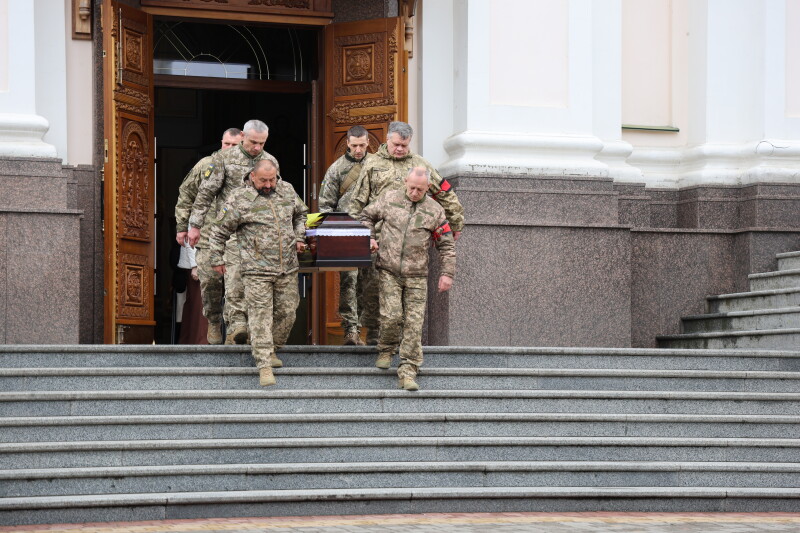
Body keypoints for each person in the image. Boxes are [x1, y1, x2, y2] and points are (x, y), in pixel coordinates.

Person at [348, 121, 465, 345]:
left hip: (412, 242)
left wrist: (456, 223)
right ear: (387, 140)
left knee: (408, 297)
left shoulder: (420, 165)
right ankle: (375, 336)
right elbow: (358, 202)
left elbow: (445, 193)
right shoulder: (372, 164)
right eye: (396, 144)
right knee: (373, 290)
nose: (400, 149)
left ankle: (402, 342)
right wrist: (360, 235)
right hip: (378, 240)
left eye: (404, 145)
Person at [208, 159, 308, 387]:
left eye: (272, 179)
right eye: (263, 180)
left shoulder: (287, 190)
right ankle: (263, 364)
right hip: (256, 270)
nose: (268, 184)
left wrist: (299, 236)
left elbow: (301, 214)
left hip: (287, 268)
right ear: (252, 176)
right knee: (260, 317)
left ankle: (272, 348)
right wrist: (216, 258)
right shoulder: (239, 199)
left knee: (287, 313)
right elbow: (219, 230)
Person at [358, 166, 456, 391]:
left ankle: (408, 370)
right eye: (411, 187)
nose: (414, 193)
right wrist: (370, 238)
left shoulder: (434, 211)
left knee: (413, 325)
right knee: (391, 317)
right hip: (389, 270)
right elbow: (366, 216)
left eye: (420, 190)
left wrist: (447, 274)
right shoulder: (389, 199)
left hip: (417, 275)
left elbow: (447, 245)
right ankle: (386, 347)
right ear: (405, 182)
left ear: (427, 188)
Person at [187, 120, 280, 345]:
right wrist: (194, 225)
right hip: (226, 229)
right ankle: (214, 319)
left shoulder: (270, 162)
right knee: (210, 283)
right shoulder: (224, 160)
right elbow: (206, 194)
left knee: (237, 280)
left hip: (255, 233)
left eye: (262, 143)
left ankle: (235, 329)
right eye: (253, 143)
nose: (257, 148)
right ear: (243, 137)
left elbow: (277, 193)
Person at [174, 127, 243, 344]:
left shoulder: (250, 167)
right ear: (220, 143)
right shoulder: (206, 165)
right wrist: (182, 227)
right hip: (208, 239)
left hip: (237, 239)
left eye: (235, 145)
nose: (230, 149)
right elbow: (186, 194)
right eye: (226, 144)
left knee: (237, 286)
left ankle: (234, 333)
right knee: (211, 289)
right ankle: (214, 323)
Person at [318, 125, 375, 346]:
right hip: (347, 233)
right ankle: (351, 330)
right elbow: (325, 206)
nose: (358, 150)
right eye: (354, 146)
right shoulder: (336, 169)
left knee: (371, 283)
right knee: (349, 282)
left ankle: (372, 330)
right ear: (347, 144)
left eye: (362, 145)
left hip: (374, 233)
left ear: (368, 142)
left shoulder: (376, 166)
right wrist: (333, 237)